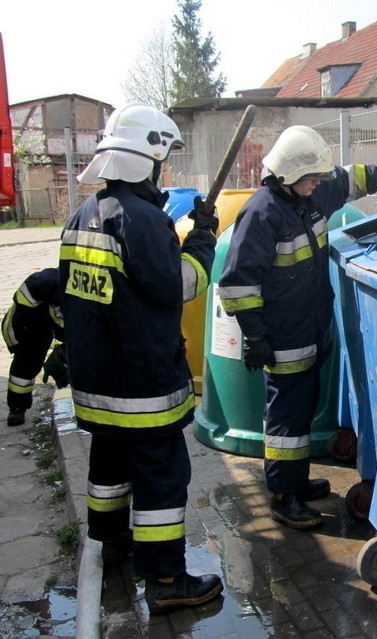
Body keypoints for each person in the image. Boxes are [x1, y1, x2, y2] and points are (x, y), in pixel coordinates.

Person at [58, 103, 222, 614]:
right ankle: (167, 577)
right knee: (161, 477)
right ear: (147, 159)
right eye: (163, 160)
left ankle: (111, 544)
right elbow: (181, 286)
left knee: (108, 465)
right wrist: (201, 240)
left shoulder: (82, 215)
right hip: (142, 386)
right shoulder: (145, 221)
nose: (165, 170)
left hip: (96, 383)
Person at [218, 125, 377, 531]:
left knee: (302, 411)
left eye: (316, 179)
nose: (315, 185)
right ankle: (282, 496)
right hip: (282, 337)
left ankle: (296, 480)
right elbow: (237, 283)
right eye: (309, 179)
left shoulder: (309, 194)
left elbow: (351, 177)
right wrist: (255, 336)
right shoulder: (262, 214)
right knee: (286, 420)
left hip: (310, 328)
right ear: (287, 175)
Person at [2, 267, 68, 426]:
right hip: (28, 325)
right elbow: (20, 313)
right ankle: (17, 408)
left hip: (46, 320)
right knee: (25, 365)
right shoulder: (44, 283)